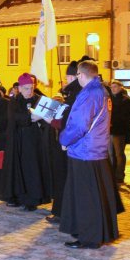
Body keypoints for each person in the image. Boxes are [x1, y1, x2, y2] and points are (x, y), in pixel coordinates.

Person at [59, 60, 123, 249]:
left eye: (77, 75)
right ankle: (96, 232)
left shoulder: (89, 94)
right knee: (95, 196)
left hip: (85, 151)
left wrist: (64, 140)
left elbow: (79, 124)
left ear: (82, 74)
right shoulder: (102, 91)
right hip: (95, 150)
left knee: (86, 197)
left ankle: (89, 237)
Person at [0, 73, 52, 211]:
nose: (29, 91)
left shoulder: (41, 99)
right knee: (17, 169)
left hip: (35, 142)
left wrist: (39, 119)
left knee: (32, 169)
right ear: (20, 88)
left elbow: (51, 118)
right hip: (18, 142)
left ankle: (33, 198)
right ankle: (17, 196)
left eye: (32, 87)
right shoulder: (14, 101)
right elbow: (13, 117)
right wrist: (30, 117)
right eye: (27, 88)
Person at [44, 61, 82, 224]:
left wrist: (49, 119)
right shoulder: (71, 96)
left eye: (67, 77)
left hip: (68, 145)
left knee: (64, 179)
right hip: (64, 144)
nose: (65, 80)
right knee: (61, 179)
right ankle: (60, 210)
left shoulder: (77, 97)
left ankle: (62, 212)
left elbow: (66, 122)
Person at [110, 80, 130, 184]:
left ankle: (119, 175)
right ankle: (112, 174)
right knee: (110, 154)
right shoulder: (109, 99)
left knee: (119, 154)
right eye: (112, 87)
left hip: (119, 131)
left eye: (115, 87)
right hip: (109, 130)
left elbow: (125, 116)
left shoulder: (125, 100)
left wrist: (112, 121)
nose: (113, 89)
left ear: (120, 88)